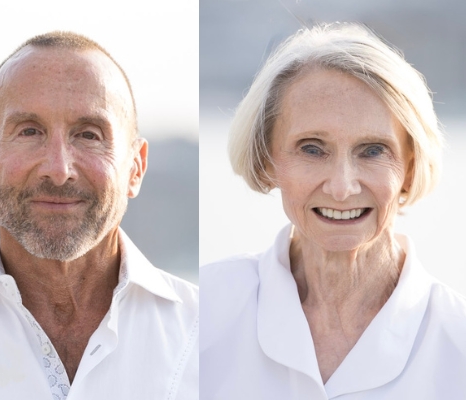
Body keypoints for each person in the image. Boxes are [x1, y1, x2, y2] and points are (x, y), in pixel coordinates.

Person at [199, 22, 466, 398]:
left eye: (373, 150)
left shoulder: (457, 341)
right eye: (312, 148)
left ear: (410, 167)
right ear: (266, 160)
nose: (342, 188)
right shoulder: (201, 312)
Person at [0, 31, 199, 399]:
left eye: (88, 135)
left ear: (135, 168)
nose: (59, 170)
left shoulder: (206, 334)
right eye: (29, 132)